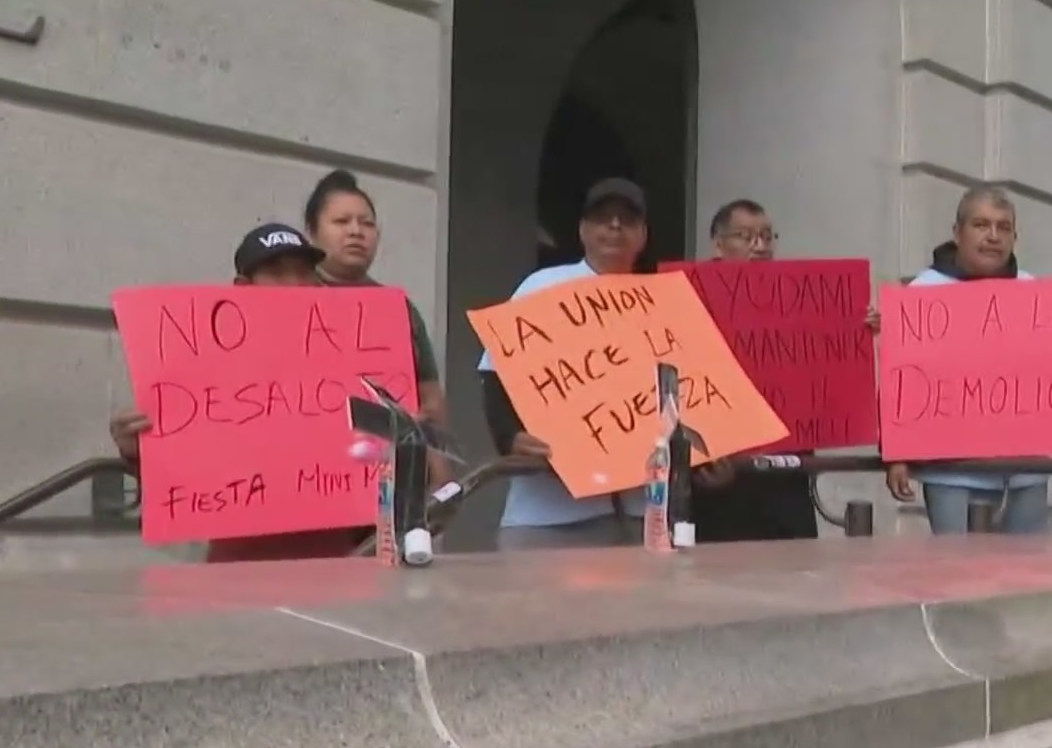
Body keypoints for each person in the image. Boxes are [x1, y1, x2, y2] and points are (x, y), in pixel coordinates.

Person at [108, 224, 379, 563]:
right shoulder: (201, 371)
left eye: (303, 273)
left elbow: (382, 458)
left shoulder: (354, 361)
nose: (295, 285)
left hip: (339, 561)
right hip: (238, 567)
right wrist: (138, 451)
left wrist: (408, 433)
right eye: (278, 274)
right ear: (242, 288)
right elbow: (184, 474)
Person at [887, 186, 1052, 535]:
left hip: (1026, 473)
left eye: (1003, 227)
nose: (993, 236)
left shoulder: (1034, 291)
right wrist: (894, 453)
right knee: (958, 577)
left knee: (1023, 577)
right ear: (957, 233)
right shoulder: (922, 293)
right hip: (952, 475)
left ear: (1015, 237)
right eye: (981, 225)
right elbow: (902, 382)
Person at [479, 177, 656, 549]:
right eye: (602, 218)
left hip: (643, 510)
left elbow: (688, 390)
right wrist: (509, 436)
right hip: (550, 512)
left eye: (626, 220)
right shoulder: (542, 287)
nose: (614, 227)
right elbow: (496, 376)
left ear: (642, 234)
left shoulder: (661, 302)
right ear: (582, 230)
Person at [685, 198, 821, 543]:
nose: (759, 245)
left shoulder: (799, 298)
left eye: (766, 236)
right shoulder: (688, 299)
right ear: (718, 243)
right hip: (721, 477)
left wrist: (857, 325)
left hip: (786, 475)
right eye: (745, 236)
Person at [304, 169, 451, 486]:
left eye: (366, 223)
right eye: (342, 222)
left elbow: (430, 399)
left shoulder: (397, 308)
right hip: (308, 479)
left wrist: (438, 472)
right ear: (312, 232)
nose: (356, 231)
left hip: (385, 482)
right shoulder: (288, 299)